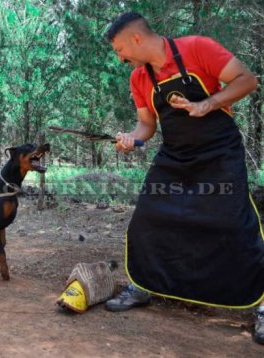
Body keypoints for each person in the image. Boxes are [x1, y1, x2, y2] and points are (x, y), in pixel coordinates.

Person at [103, 12, 264, 344]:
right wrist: (132, 140)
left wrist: (208, 104)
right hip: (176, 155)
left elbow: (247, 80)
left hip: (220, 151)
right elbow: (147, 125)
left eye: (120, 49)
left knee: (234, 222)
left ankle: (261, 304)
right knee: (148, 217)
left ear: (136, 38)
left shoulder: (198, 48)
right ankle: (143, 285)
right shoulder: (139, 79)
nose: (120, 58)